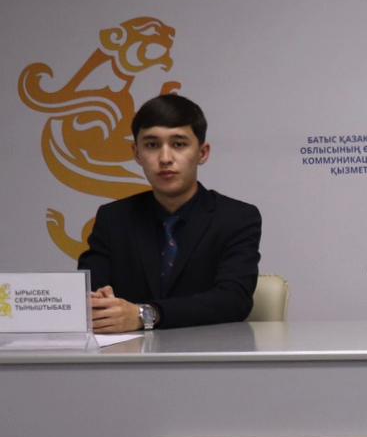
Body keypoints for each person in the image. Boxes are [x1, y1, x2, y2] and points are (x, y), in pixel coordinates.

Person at [78, 94, 261, 332]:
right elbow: (86, 289)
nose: (165, 159)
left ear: (202, 153)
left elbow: (234, 300)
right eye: (152, 145)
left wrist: (145, 314)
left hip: (207, 350)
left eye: (179, 144)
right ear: (136, 153)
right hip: (126, 351)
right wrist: (98, 301)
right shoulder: (113, 218)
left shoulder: (237, 218)